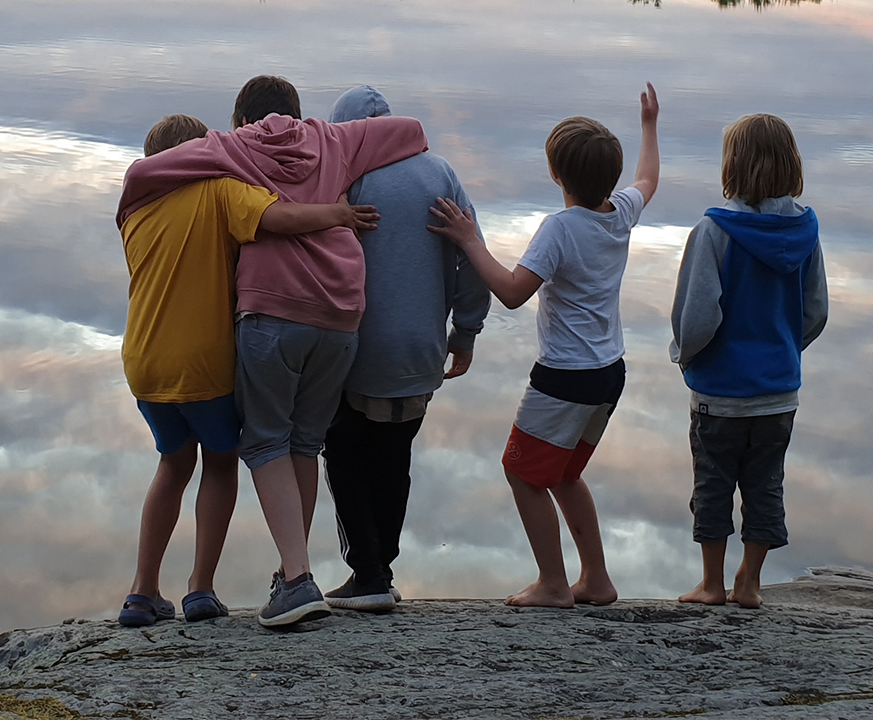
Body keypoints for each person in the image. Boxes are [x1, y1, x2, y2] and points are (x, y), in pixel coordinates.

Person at [115, 76, 429, 628]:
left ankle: (146, 590)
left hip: (150, 361)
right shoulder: (248, 177)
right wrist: (336, 205)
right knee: (264, 451)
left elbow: (153, 196)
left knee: (181, 462)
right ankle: (214, 588)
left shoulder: (143, 210)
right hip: (275, 337)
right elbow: (407, 134)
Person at [429, 83, 659, 608]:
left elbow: (512, 293)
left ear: (556, 174)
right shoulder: (620, 212)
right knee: (564, 473)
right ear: (611, 176)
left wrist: (469, 241)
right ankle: (596, 580)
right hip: (609, 372)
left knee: (520, 471)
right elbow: (649, 178)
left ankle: (554, 584)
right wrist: (649, 125)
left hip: (565, 377)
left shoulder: (559, 229)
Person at [320, 86, 491, 614]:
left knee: (344, 452)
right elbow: (471, 258)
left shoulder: (344, 178)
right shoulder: (440, 174)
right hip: (419, 349)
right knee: (394, 458)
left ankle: (368, 572)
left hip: (353, 348)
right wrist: (465, 332)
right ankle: (381, 570)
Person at [670, 113, 827, 609]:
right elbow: (815, 310)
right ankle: (750, 582)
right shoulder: (806, 233)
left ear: (732, 166)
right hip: (779, 395)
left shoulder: (714, 232)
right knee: (766, 487)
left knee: (713, 488)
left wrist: (685, 356)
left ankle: (712, 584)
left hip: (720, 397)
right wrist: (782, 349)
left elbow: (697, 318)